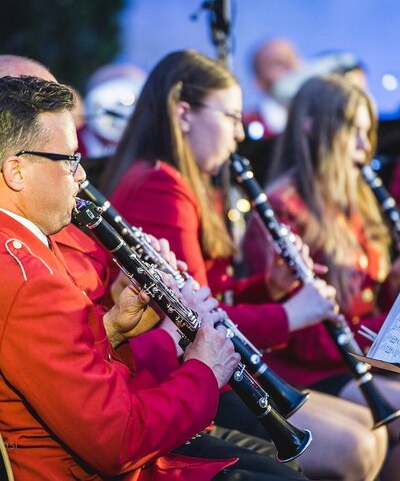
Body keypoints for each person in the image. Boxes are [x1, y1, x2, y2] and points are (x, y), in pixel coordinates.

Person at [0, 75, 316, 481]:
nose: (81, 177)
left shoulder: (24, 252)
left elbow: (50, 360)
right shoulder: (28, 275)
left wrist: (110, 328)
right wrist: (203, 369)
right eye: (70, 160)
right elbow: (116, 441)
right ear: (16, 171)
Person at [101, 49, 388, 481]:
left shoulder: (185, 184)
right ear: (184, 114)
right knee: (356, 448)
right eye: (231, 117)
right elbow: (188, 320)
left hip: (203, 365)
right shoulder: (161, 186)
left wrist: (268, 289)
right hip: (177, 376)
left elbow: (211, 299)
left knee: (370, 439)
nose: (240, 134)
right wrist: (290, 314)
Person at [243, 73, 400, 477]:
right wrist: (383, 338)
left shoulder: (356, 202)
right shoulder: (282, 207)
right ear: (312, 126)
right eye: (355, 132)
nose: (366, 149)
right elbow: (301, 336)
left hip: (354, 357)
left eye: (369, 134)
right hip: (311, 366)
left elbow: (368, 297)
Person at [244, 38, 301, 141]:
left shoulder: (317, 121)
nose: (292, 67)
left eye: (294, 58)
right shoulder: (247, 126)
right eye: (278, 63)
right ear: (259, 82)